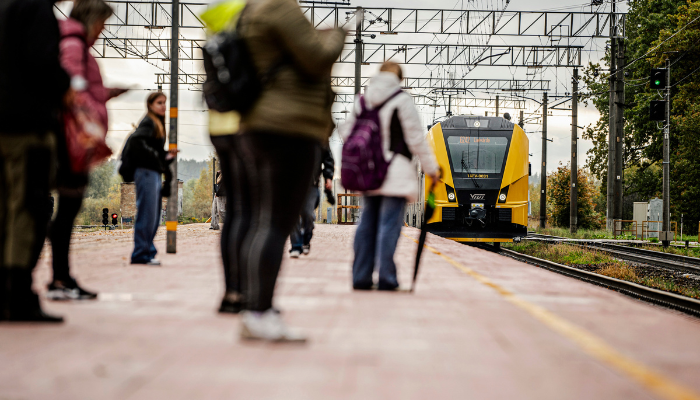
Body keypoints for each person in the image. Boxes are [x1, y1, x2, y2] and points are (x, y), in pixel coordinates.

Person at [207, 0, 345, 341]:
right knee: (274, 224)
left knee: (261, 220)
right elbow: (316, 57)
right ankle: (259, 311)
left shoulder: (249, 12)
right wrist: (337, 35)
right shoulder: (279, 6)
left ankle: (253, 306)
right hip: (289, 127)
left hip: (260, 125)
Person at [47, 0, 127, 301]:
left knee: (67, 210)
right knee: (67, 210)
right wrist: (91, 130)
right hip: (74, 143)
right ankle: (60, 279)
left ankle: (62, 277)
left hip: (72, 142)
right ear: (92, 20)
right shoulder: (73, 45)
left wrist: (106, 92)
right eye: (102, 23)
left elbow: (81, 88)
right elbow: (72, 90)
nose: (103, 30)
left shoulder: (74, 44)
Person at [340, 62, 440, 291]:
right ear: (399, 78)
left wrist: (367, 153)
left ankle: (360, 276)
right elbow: (416, 139)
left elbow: (346, 131)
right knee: (388, 225)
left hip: (369, 172)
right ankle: (387, 277)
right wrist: (432, 170)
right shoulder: (401, 100)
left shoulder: (361, 101)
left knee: (366, 223)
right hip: (395, 173)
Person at [0, 0, 71, 322]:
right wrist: (67, 86)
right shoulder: (35, 9)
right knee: (28, 210)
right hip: (27, 126)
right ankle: (18, 297)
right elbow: (42, 63)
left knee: (4, 209)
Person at [122, 92, 175, 266]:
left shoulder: (157, 123)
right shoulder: (149, 122)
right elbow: (136, 142)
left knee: (153, 215)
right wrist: (157, 157)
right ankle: (140, 254)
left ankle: (147, 251)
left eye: (164, 102)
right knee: (147, 213)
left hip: (152, 172)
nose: (163, 106)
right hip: (146, 172)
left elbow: (151, 149)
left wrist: (165, 156)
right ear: (150, 105)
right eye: (159, 102)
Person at [289, 146, 334, 258]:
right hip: (292, 182)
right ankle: (296, 246)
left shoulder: (317, 138)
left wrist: (328, 177)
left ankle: (306, 240)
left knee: (308, 214)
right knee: (292, 215)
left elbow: (327, 158)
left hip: (311, 183)